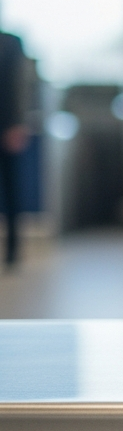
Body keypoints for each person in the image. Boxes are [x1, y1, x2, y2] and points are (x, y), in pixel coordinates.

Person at [0, 16, 29, 270]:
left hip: (7, 125)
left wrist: (18, 123)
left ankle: (13, 250)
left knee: (11, 191)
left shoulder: (10, 43)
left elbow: (20, 84)